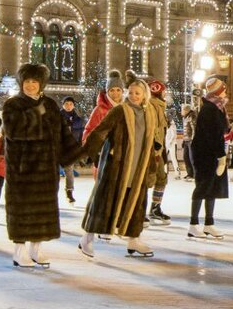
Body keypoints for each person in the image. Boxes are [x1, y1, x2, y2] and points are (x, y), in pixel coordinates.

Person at [1, 63, 84, 268]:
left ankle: (36, 249)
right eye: (27, 81)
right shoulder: (13, 105)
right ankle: (19, 251)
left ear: (41, 84)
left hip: (46, 169)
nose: (31, 85)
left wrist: (76, 153)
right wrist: (34, 115)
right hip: (23, 168)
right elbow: (12, 131)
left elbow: (62, 133)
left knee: (42, 212)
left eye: (35, 81)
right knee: (22, 210)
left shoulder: (50, 104)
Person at [78, 74, 161, 259]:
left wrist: (153, 164)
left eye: (137, 93)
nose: (133, 95)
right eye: (130, 92)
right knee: (104, 204)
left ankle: (133, 240)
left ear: (144, 94)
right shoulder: (119, 111)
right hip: (116, 168)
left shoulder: (150, 113)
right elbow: (100, 132)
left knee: (135, 205)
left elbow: (152, 140)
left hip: (138, 168)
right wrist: (87, 152)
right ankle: (87, 238)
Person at [188, 77, 230, 239]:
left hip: (212, 152)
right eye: (223, 90)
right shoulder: (209, 110)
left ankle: (209, 224)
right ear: (217, 92)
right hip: (204, 154)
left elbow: (222, 132)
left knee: (212, 188)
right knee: (203, 187)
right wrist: (220, 155)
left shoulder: (217, 108)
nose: (226, 92)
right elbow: (211, 135)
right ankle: (193, 224)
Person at [145, 78, 174, 226]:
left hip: (158, 148)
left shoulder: (160, 106)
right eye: (163, 91)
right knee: (146, 180)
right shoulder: (151, 106)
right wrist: (155, 147)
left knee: (161, 178)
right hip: (151, 149)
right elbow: (153, 128)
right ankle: (140, 209)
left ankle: (155, 207)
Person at [60, 96, 86, 204]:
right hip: (57, 147)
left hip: (70, 149)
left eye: (71, 104)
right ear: (63, 105)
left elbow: (80, 137)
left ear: (73, 105)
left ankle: (69, 192)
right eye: (66, 104)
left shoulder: (78, 120)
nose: (69, 106)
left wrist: (80, 153)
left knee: (69, 171)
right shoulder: (56, 117)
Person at [180, 104, 197, 180]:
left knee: (192, 158)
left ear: (186, 110)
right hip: (186, 140)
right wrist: (183, 140)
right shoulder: (185, 117)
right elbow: (185, 131)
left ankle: (195, 174)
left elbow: (194, 129)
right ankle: (190, 174)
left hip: (190, 140)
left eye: (182, 110)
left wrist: (193, 140)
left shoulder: (191, 116)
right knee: (186, 157)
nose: (181, 112)